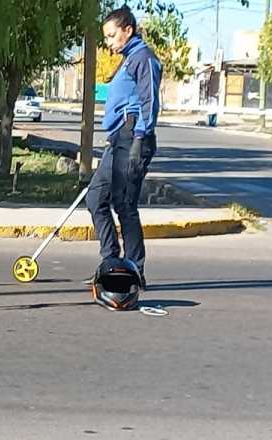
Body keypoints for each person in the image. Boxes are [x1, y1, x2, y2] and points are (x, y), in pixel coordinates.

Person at [85, 6, 162, 288]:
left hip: (134, 138)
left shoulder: (143, 58)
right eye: (106, 36)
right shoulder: (130, 58)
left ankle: (134, 269)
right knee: (95, 199)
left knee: (125, 205)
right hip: (119, 138)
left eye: (111, 35)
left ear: (127, 31)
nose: (108, 41)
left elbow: (149, 101)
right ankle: (111, 263)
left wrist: (139, 140)